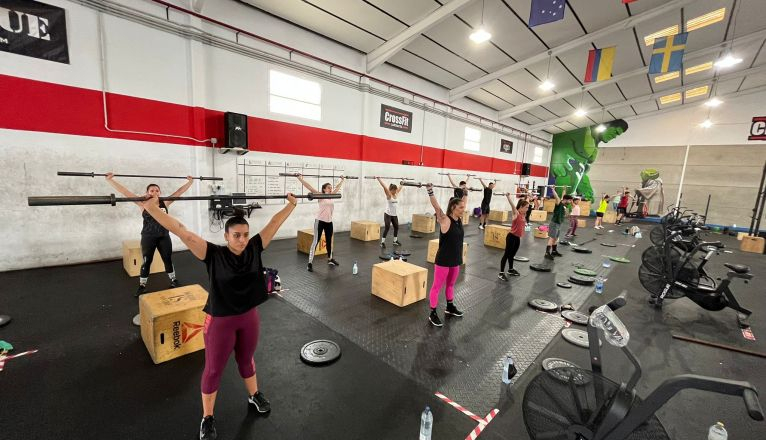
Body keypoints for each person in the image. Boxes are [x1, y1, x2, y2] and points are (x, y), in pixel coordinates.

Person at [141, 191, 298, 440]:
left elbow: (274, 223)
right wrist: (152, 209)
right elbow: (182, 230)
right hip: (220, 321)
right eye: (236, 235)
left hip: (249, 318)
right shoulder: (213, 254)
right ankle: (208, 418)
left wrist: (291, 204)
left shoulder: (255, 247)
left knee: (246, 359)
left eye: (245, 234)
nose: (242, 239)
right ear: (226, 236)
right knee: (214, 370)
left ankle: (254, 395)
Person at [105, 173, 193, 296]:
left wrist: (190, 182)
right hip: (148, 237)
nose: (155, 192)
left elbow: (179, 192)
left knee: (167, 259)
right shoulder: (142, 204)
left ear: (160, 193)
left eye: (157, 190)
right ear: (147, 193)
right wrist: (110, 180)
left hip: (164, 236)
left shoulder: (165, 203)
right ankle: (142, 286)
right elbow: (126, 192)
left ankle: (174, 280)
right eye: (152, 190)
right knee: (147, 261)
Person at [425, 183, 465, 327]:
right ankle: (433, 313)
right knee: (436, 287)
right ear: (453, 208)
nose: (463, 209)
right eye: (461, 207)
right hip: (443, 260)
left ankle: (449, 307)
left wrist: (462, 190)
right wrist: (430, 191)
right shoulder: (445, 219)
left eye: (463, 207)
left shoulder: (459, 220)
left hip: (455, 260)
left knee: (451, 285)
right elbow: (436, 207)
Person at [295, 174, 345, 271]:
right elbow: (309, 187)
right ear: (324, 189)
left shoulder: (331, 196)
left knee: (329, 241)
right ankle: (309, 263)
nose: (331, 189)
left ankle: (330, 259)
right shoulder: (320, 196)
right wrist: (300, 178)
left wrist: (342, 180)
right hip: (320, 221)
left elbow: (338, 188)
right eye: (328, 188)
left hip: (329, 222)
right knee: (315, 242)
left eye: (331, 188)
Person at [498, 195, 529, 281]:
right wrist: (508, 197)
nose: (527, 209)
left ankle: (510, 270)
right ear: (521, 207)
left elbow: (525, 202)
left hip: (517, 238)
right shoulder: (517, 213)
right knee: (506, 255)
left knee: (512, 255)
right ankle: (501, 273)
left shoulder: (524, 214)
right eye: (526, 207)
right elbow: (512, 206)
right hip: (511, 237)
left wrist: (528, 196)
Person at [545, 186, 572, 260]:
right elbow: (557, 197)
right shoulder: (559, 203)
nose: (570, 202)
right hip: (554, 223)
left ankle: (554, 251)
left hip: (559, 223)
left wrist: (564, 189)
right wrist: (553, 189)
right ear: (566, 200)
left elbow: (563, 197)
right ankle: (547, 253)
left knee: (556, 238)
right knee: (552, 238)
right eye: (570, 200)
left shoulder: (564, 204)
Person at [376, 177, 403, 248]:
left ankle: (395, 241)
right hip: (388, 214)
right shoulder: (389, 195)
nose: (395, 191)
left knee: (396, 227)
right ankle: (382, 242)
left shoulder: (396, 194)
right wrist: (378, 179)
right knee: (387, 227)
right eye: (394, 190)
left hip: (394, 215)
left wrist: (403, 181)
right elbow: (384, 186)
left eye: (396, 190)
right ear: (391, 190)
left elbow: (400, 186)